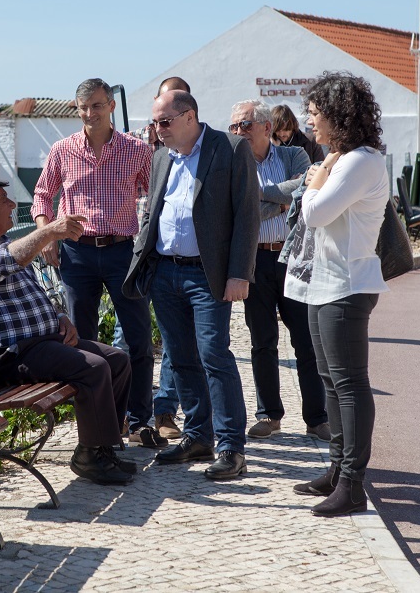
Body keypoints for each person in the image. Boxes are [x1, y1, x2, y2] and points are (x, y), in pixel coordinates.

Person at [0, 176, 136, 486]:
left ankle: (104, 449)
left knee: (117, 360)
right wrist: (48, 231)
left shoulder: (0, 242)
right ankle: (90, 456)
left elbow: (35, 291)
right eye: (4, 200)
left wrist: (60, 316)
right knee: (93, 368)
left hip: (41, 343)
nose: (12, 205)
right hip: (12, 353)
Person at [124, 90, 260, 480]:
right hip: (165, 273)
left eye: (164, 122)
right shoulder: (160, 157)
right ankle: (198, 436)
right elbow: (152, 211)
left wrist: (239, 273)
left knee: (213, 354)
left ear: (189, 117)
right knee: (181, 357)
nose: (157, 129)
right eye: (154, 122)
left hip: (207, 274)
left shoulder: (230, 148)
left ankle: (231, 448)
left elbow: (247, 214)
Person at [31, 78, 166, 450]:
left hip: (123, 253)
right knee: (80, 343)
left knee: (138, 340)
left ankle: (140, 421)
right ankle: (96, 427)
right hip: (77, 254)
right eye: (83, 107)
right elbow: (42, 196)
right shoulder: (62, 150)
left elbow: (156, 196)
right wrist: (46, 235)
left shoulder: (136, 150)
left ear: (110, 106)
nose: (90, 113)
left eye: (96, 105)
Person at [285, 72, 390, 516]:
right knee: (330, 381)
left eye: (314, 113)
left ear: (337, 115)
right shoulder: (344, 159)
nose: (309, 121)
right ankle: (335, 470)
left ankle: (352, 484)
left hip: (347, 286)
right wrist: (324, 170)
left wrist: (318, 176)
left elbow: (314, 214)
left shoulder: (358, 162)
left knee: (349, 385)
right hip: (324, 283)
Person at [228, 99, 331, 443]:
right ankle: (269, 415)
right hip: (254, 261)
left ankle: (317, 419)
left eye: (245, 125)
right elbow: (237, 209)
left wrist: (257, 196)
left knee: (306, 341)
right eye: (234, 126)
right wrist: (280, 199)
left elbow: (305, 192)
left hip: (293, 259)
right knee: (262, 342)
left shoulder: (293, 155)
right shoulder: (233, 161)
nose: (238, 132)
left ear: (266, 127)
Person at [126, 75, 192, 440]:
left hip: (171, 256)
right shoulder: (134, 143)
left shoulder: (190, 146)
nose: (162, 123)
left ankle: (165, 412)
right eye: (159, 113)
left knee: (171, 342)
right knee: (127, 336)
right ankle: (126, 412)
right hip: (137, 255)